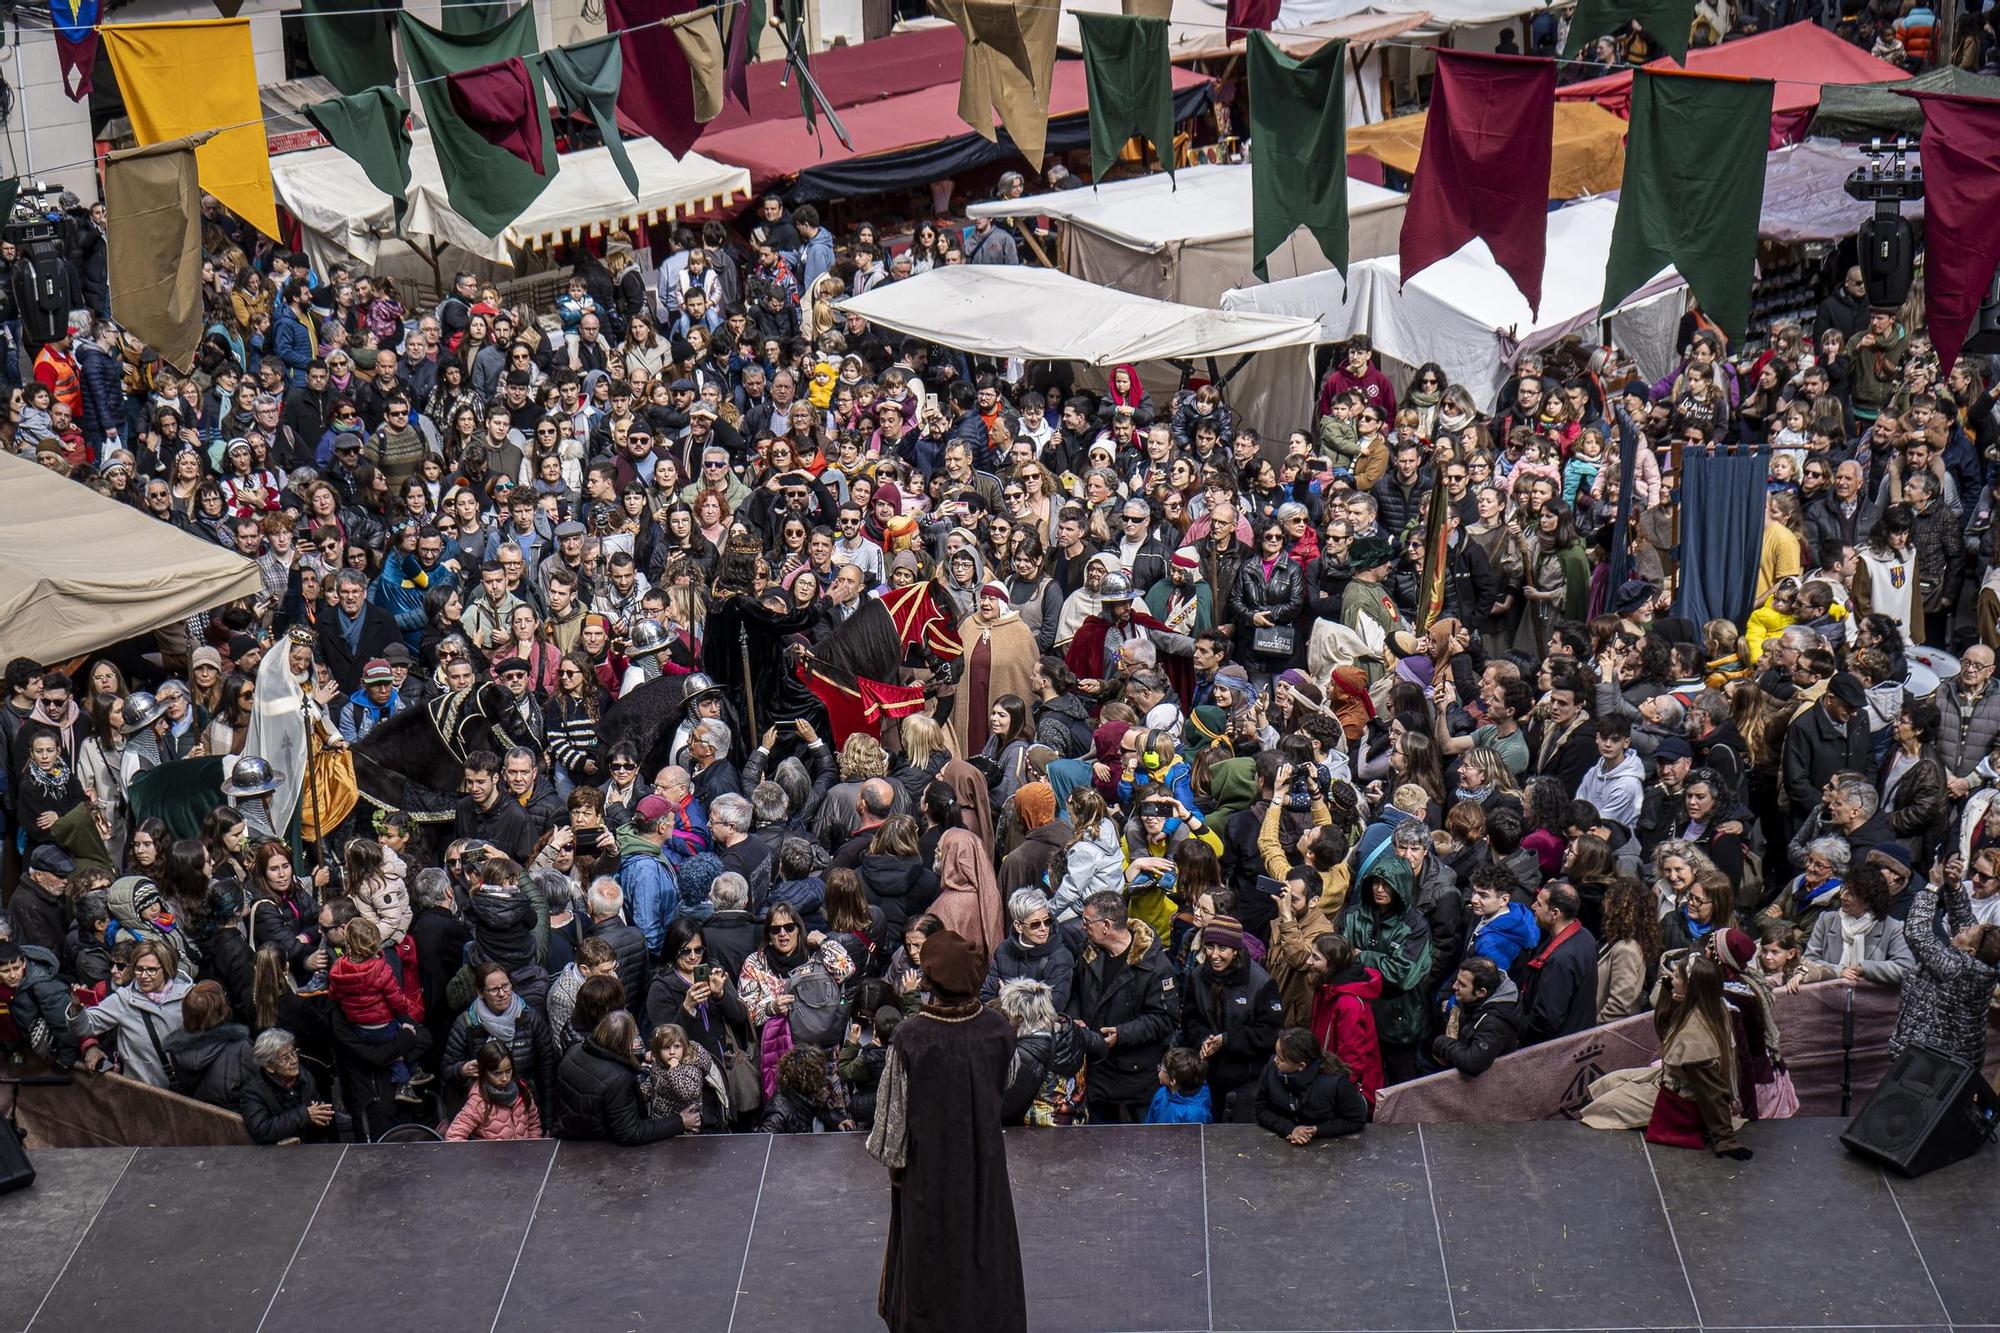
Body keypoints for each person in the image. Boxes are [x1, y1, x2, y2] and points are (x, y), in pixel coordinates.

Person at [868, 928, 1027, 1333]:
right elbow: (1007, 1081)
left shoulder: (910, 1037)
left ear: (930, 978)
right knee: (984, 1251)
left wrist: (896, 1164)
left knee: (931, 1260)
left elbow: (890, 1130)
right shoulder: (997, 1030)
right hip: (984, 1168)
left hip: (928, 1176)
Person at [1065, 890, 1179, 1123]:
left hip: (1136, 1078)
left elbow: (1165, 1019)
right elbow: (1075, 991)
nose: (1082, 926)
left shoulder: (1155, 965)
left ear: (1106, 925)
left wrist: (1122, 1034)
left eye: (1087, 921)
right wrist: (1075, 1018)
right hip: (1096, 1071)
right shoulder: (1088, 952)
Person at [552, 1009, 698, 1143]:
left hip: (568, 1134)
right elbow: (631, 1132)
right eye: (632, 1038)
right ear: (624, 1044)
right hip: (597, 1149)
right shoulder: (619, 1080)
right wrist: (680, 1121)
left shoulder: (574, 1050)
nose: (635, 1042)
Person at [1252, 1026, 1370, 1146]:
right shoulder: (1271, 1070)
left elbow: (1355, 1120)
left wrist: (1316, 1130)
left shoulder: (1336, 1084)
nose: (1275, 1060)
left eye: (1281, 1059)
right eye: (1276, 1054)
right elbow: (1261, 1109)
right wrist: (1289, 1129)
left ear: (1301, 1066)